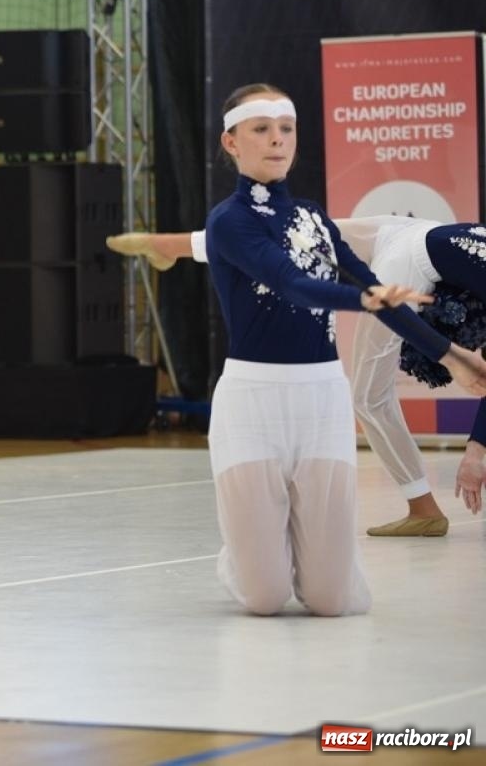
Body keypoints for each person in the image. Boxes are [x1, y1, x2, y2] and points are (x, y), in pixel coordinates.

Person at [201, 83, 486, 616]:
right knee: (265, 598)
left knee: (333, 601)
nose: (277, 139)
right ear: (232, 142)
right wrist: (363, 298)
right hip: (253, 402)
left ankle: (285, 547)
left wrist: (452, 355)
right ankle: (250, 552)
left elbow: (380, 294)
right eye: (261, 129)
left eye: (286, 128)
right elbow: (291, 283)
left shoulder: (313, 219)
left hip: (322, 401)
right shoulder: (229, 220)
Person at [110, 215, 486, 537]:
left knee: (300, 235)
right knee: (369, 397)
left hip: (422, 235)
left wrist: (477, 446)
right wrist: (475, 449)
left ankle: (174, 245)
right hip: (411, 254)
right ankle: (423, 509)